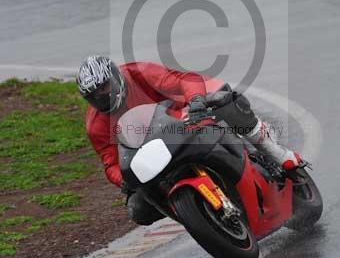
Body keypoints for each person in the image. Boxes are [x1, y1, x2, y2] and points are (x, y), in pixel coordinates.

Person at [76, 55, 302, 225]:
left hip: (186, 116)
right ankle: (201, 219)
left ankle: (276, 153)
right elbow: (110, 163)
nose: (101, 96)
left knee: (223, 100)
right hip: (154, 151)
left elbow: (181, 81)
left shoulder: (139, 73)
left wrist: (195, 101)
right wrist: (123, 180)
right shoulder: (96, 124)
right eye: (93, 95)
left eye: (103, 87)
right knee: (138, 208)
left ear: (115, 77)